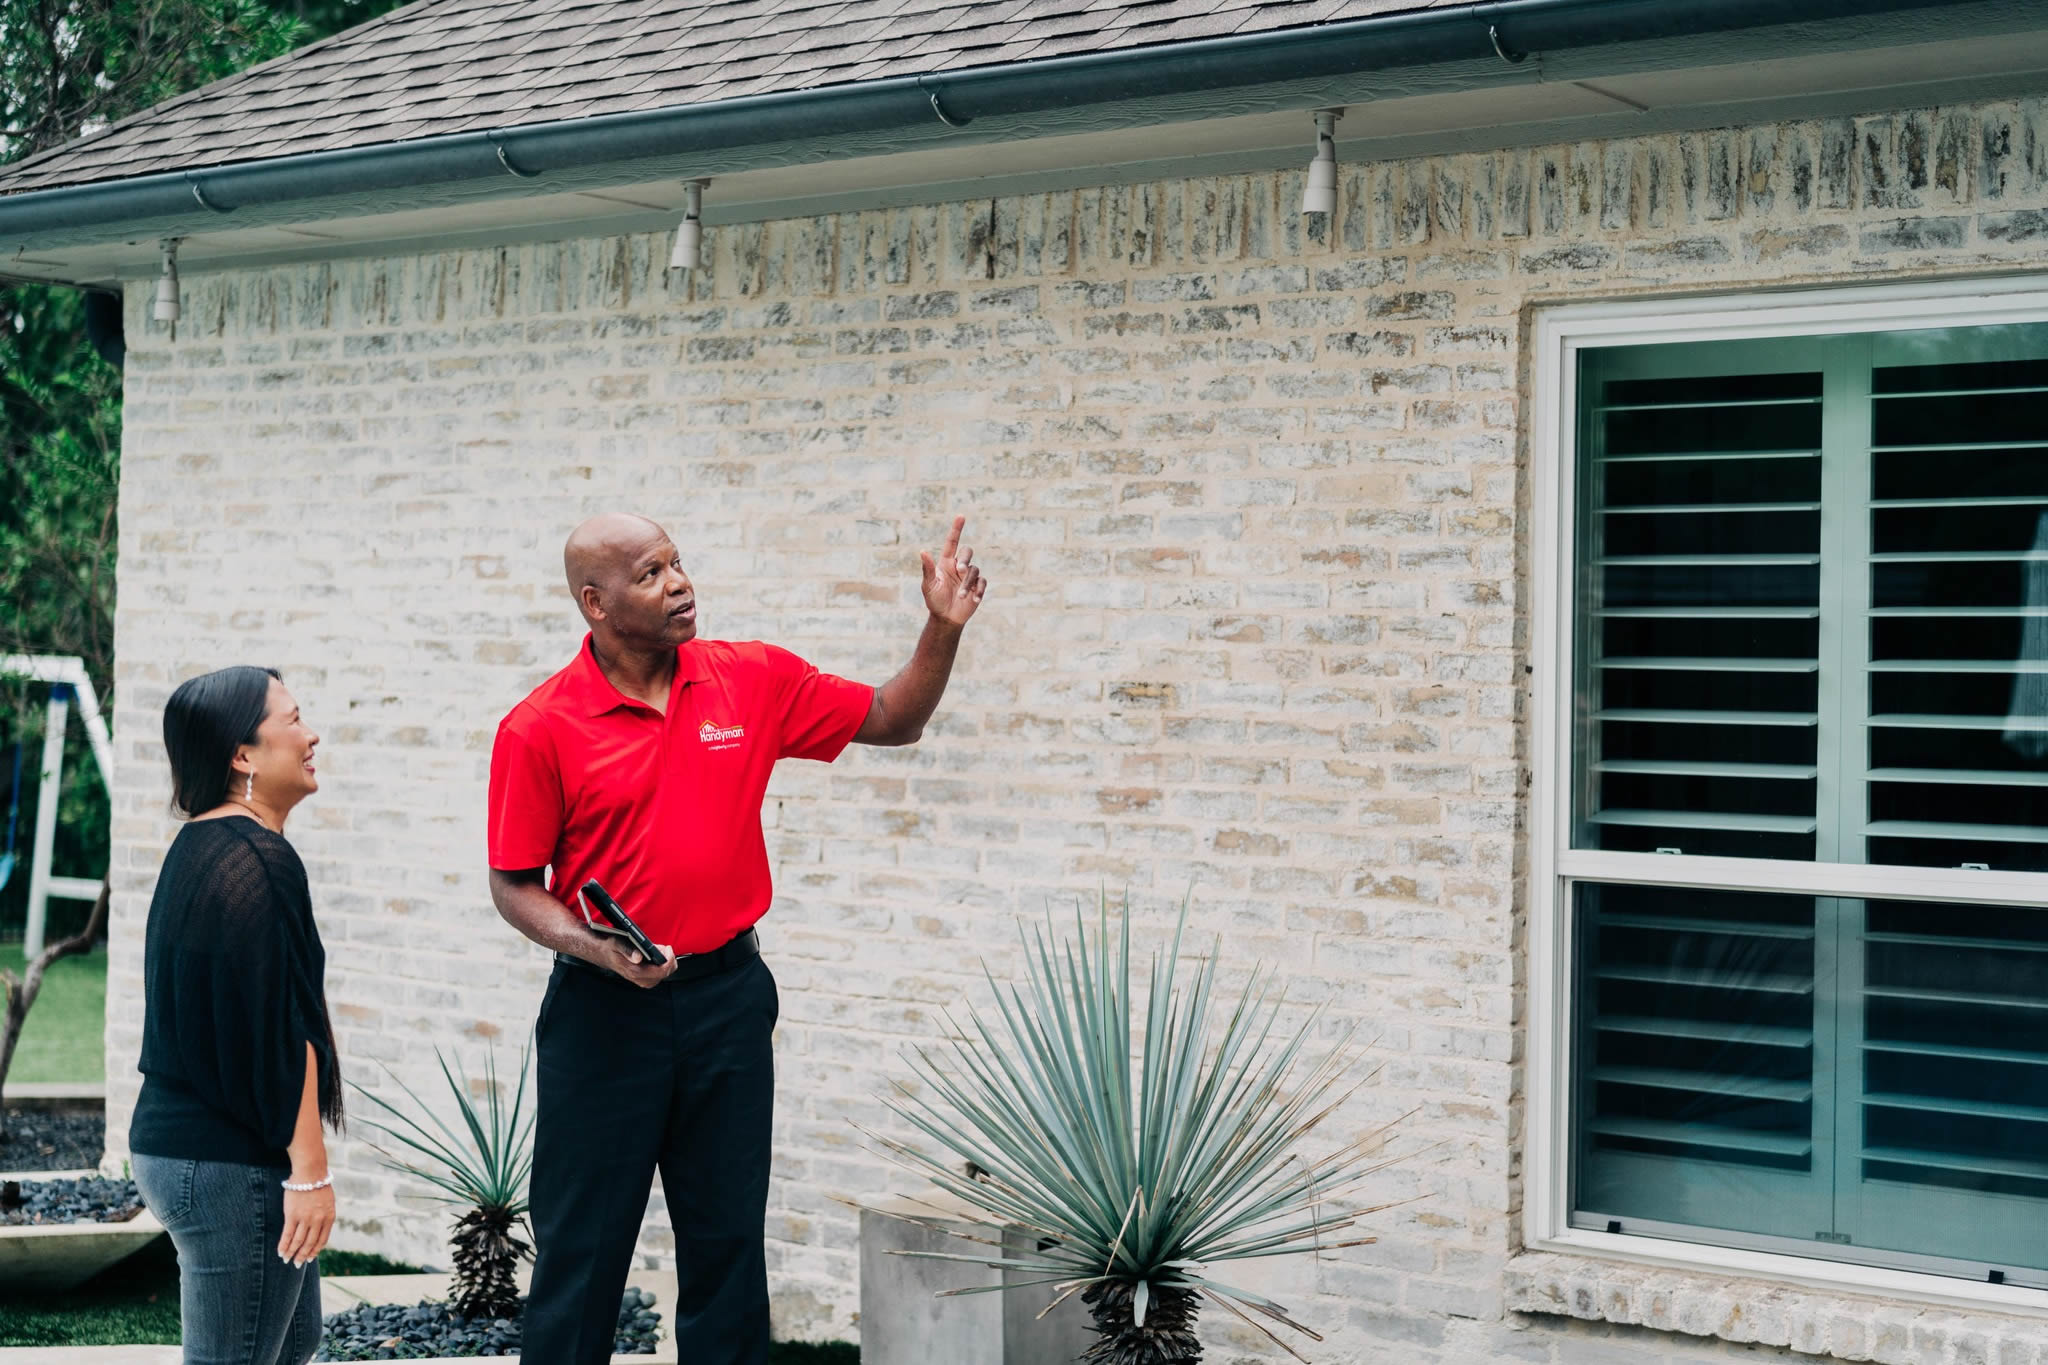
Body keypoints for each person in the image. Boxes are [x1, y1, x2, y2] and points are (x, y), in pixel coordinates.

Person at [489, 512, 988, 1364]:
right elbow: (513, 883)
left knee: (726, 1250)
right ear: (595, 602)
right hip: (605, 1016)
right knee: (581, 1255)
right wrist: (592, 945)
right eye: (650, 573)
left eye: (679, 563)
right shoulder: (540, 726)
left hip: (727, 1001)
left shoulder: (748, 677)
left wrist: (940, 626)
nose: (680, 582)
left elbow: (893, 717)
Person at [130, 666, 344, 1365]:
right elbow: (282, 1031)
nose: (310, 735)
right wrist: (309, 1171)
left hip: (180, 1145)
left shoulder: (199, 846)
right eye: (292, 720)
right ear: (242, 754)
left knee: (294, 1340)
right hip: (226, 1162)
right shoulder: (259, 856)